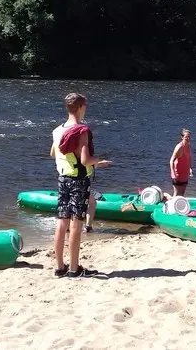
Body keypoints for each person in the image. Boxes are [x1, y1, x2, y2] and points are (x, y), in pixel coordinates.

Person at [49, 93, 111, 277]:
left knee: (61, 223)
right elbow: (84, 160)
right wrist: (99, 161)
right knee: (76, 224)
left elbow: (54, 153)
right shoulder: (82, 130)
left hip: (63, 180)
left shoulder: (57, 130)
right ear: (81, 107)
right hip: (79, 181)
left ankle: (60, 267)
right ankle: (75, 269)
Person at [170, 129, 193, 196]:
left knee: (182, 194)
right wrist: (173, 173)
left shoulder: (188, 146)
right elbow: (171, 160)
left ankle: (178, 206)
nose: (188, 138)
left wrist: (190, 169)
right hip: (177, 174)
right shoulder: (179, 147)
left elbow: (188, 159)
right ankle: (170, 204)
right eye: (186, 137)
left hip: (185, 174)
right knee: (177, 194)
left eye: (189, 137)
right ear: (182, 137)